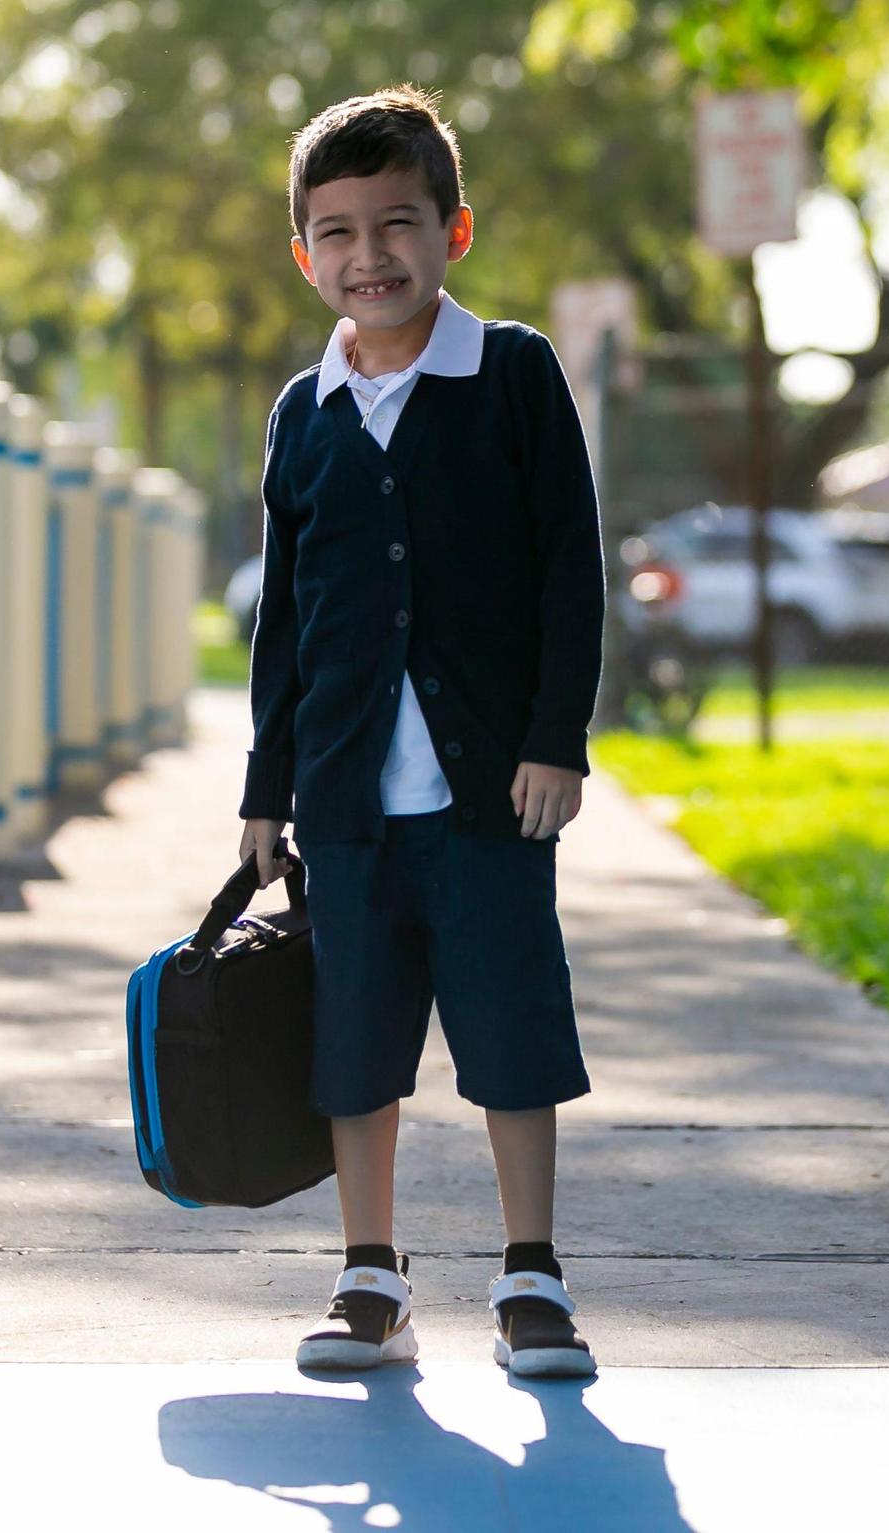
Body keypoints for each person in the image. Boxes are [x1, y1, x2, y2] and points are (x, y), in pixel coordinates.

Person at [238, 82, 606, 1379]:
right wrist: (265, 785)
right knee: (356, 1045)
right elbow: (285, 613)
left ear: (454, 232)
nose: (367, 254)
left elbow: (570, 565)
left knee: (511, 1030)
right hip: (343, 801)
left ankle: (532, 1274)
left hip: (489, 794)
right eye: (335, 232)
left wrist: (555, 738)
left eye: (397, 222)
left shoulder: (508, 374)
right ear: (305, 256)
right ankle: (370, 1277)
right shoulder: (304, 411)